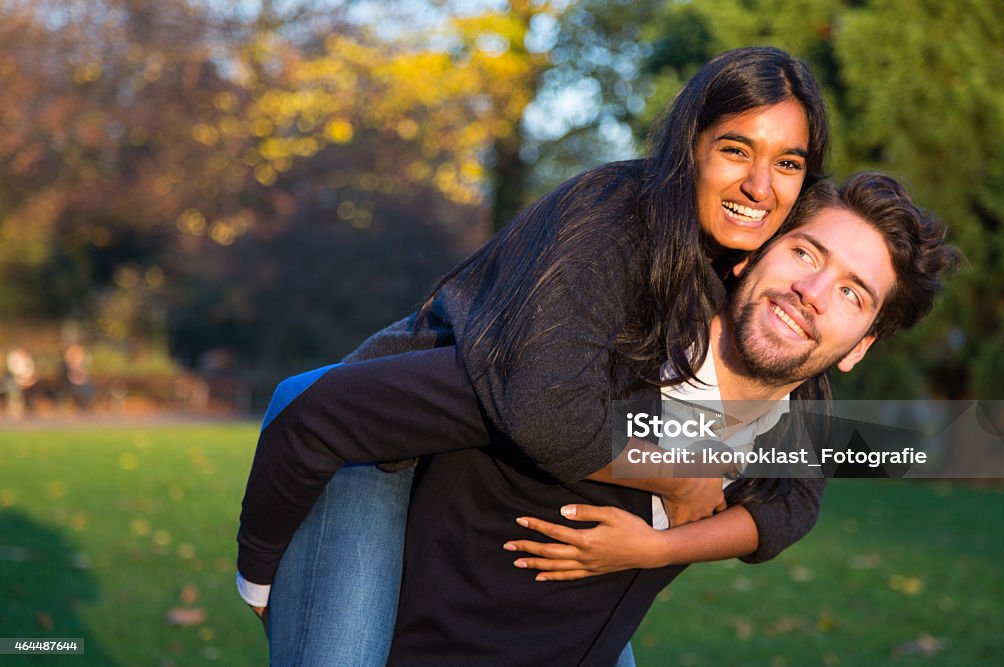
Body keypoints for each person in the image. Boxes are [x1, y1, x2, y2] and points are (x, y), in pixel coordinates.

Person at [238, 46, 830, 664]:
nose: (760, 185)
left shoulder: (774, 293)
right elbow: (546, 412)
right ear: (690, 148)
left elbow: (797, 498)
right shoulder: (613, 219)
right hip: (382, 449)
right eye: (737, 149)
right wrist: (681, 474)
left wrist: (657, 547)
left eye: (787, 162)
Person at [243, 173, 960, 665]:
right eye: (805, 252)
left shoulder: (797, 431)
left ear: (860, 346)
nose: (810, 291)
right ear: (751, 257)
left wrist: (660, 547)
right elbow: (319, 406)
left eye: (851, 293)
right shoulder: (590, 359)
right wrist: (261, 577)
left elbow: (792, 509)